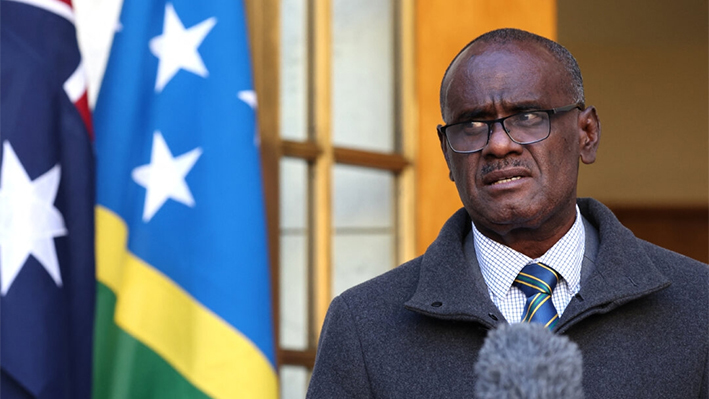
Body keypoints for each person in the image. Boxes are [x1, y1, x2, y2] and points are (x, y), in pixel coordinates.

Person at [306, 28, 708, 398]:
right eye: (472, 124)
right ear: (447, 154)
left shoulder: (699, 306)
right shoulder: (362, 325)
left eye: (528, 117)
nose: (498, 145)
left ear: (586, 133)